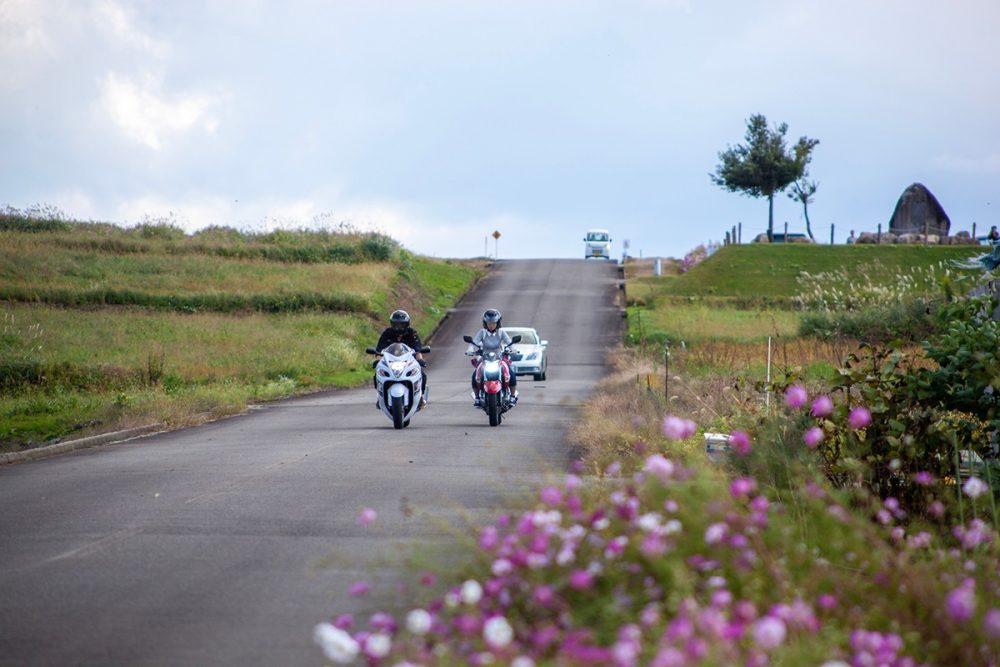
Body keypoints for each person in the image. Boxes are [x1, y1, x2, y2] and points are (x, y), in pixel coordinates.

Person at [375, 309, 427, 408]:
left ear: (406, 324)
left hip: (408, 362)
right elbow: (380, 348)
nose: (398, 327)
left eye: (401, 325)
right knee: (378, 374)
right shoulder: (387, 333)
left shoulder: (412, 333)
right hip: (390, 362)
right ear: (392, 324)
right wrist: (378, 360)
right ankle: (380, 397)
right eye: (396, 324)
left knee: (422, 374)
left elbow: (417, 349)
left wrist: (420, 360)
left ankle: (420, 396)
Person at [466, 308, 518, 407]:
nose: (491, 325)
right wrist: (470, 350)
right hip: (485, 359)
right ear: (485, 323)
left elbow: (509, 342)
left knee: (510, 373)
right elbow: (474, 342)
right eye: (489, 323)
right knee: (475, 376)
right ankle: (477, 398)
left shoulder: (501, 332)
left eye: (494, 323)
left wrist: (513, 349)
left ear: (497, 323)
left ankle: (512, 396)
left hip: (499, 359)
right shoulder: (482, 332)